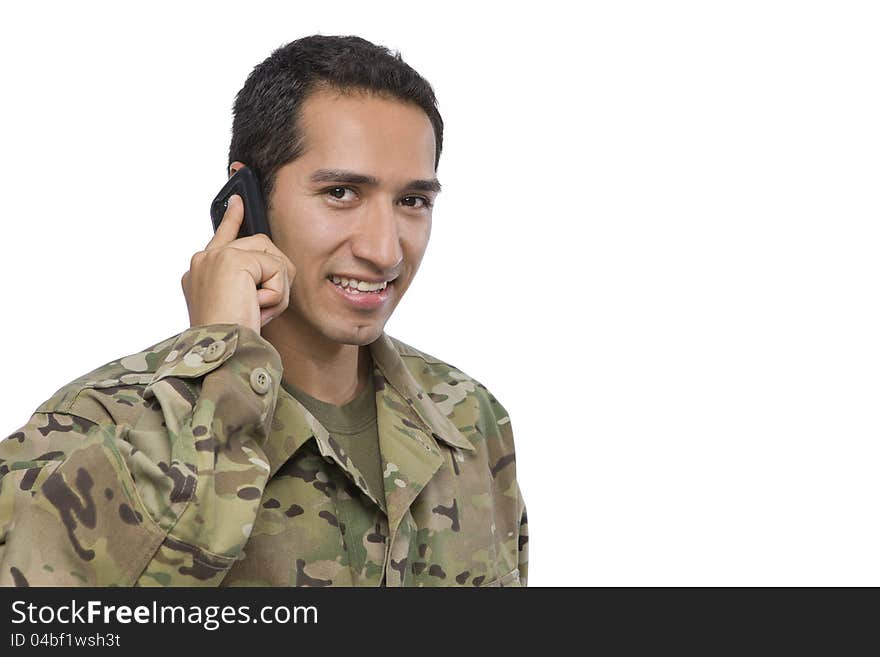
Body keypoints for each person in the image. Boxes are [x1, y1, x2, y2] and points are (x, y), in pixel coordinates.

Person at [0, 34, 528, 587]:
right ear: (245, 197)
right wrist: (222, 357)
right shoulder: (99, 423)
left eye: (412, 201)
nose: (385, 251)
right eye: (342, 193)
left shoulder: (470, 419)